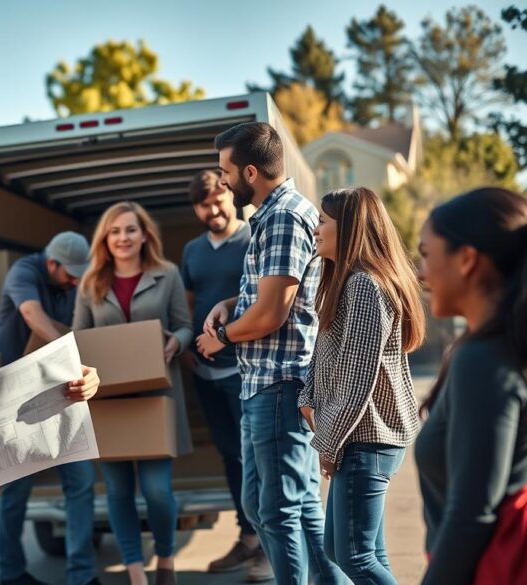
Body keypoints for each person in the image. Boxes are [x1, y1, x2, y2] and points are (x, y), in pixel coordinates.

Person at [195, 122, 344, 585]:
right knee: (276, 507)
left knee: (277, 513)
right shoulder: (273, 214)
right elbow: (264, 300)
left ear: (252, 171)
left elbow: (273, 314)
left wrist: (223, 337)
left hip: (278, 386)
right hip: (264, 384)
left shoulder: (281, 217)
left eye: (226, 172)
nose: (221, 181)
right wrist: (228, 306)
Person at [299, 187, 425, 584]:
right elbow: (324, 356)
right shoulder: (345, 282)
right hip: (358, 438)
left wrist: (328, 447)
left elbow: (357, 381)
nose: (315, 229)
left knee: (355, 557)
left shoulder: (366, 287)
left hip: (368, 440)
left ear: (349, 228)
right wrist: (307, 397)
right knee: (350, 551)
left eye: (322, 221)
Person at [73, 201, 192, 585]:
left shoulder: (167, 273)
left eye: (130, 230)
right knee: (119, 492)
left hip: (156, 399)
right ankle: (136, 573)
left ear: (144, 235)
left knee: (158, 491)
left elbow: (185, 325)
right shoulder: (90, 283)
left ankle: (165, 558)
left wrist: (177, 342)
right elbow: (75, 342)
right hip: (107, 402)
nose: (122, 238)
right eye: (114, 231)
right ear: (105, 239)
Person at [415, 187, 527, 585]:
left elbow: (471, 513)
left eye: (426, 255)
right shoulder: (498, 347)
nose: (421, 273)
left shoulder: (483, 360)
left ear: (466, 259)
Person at [0, 231, 103, 585]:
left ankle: (82, 576)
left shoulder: (71, 285)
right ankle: (11, 574)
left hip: (60, 394)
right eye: (70, 273)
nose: (75, 280)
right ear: (51, 263)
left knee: (81, 484)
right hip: (16, 397)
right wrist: (66, 351)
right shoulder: (24, 272)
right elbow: (31, 314)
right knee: (16, 491)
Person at [179, 169, 271, 581]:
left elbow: (266, 301)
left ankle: (272, 545)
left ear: (230, 197)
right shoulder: (192, 251)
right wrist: (184, 346)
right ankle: (248, 539)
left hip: (246, 370)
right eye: (204, 204)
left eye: (218, 199)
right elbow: (188, 303)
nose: (212, 209)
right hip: (205, 372)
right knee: (232, 457)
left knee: (260, 458)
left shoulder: (253, 238)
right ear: (196, 208)